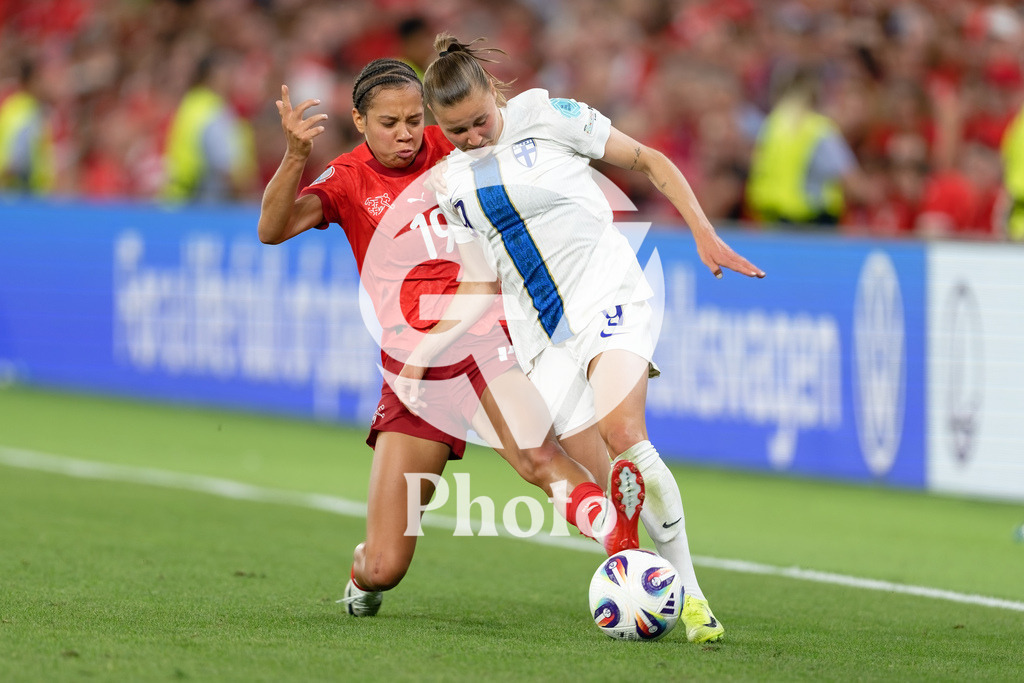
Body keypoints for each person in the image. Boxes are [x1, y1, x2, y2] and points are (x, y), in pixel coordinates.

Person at [398, 34, 766, 644]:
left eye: (479, 121)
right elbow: (478, 284)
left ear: (496, 95)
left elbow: (649, 161)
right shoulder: (451, 184)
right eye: (456, 130)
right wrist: (421, 353)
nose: (473, 137)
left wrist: (703, 231)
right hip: (545, 341)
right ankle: (641, 577)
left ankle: (695, 602)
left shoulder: (549, 115)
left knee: (627, 437)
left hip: (610, 296)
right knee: (610, 495)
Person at [257, 58, 645, 619]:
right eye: (389, 122)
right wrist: (296, 156)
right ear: (360, 121)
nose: (406, 133)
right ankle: (362, 572)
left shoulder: (459, 146)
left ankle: (624, 550)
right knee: (385, 566)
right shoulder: (347, 179)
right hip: (413, 373)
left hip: (485, 344)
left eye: (415, 118)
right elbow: (272, 230)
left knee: (540, 458)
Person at [745, 65, 879, 227]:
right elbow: (854, 185)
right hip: (809, 224)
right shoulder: (821, 130)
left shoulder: (774, 122)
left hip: (769, 219)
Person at [163, 49, 256, 203]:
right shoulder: (214, 111)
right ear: (213, 76)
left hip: (179, 198)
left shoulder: (190, 104)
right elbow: (226, 167)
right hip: (206, 203)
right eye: (227, 72)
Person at [0, 57, 55, 194]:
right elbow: (19, 150)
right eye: (40, 80)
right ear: (30, 81)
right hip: (22, 188)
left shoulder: (12, 106)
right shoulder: (27, 110)